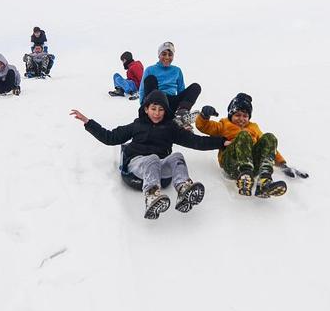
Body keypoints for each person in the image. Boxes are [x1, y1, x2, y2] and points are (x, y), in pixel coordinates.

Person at [70, 90, 230, 219]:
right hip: (137, 166)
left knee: (177, 157)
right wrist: (88, 123)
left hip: (160, 170)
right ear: (146, 109)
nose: (157, 113)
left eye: (161, 110)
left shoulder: (170, 128)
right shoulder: (137, 125)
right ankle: (152, 195)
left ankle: (183, 188)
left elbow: (195, 141)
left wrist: (221, 142)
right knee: (153, 158)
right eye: (153, 108)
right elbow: (110, 137)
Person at [195, 93, 288, 198]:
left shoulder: (254, 127)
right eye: (237, 115)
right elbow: (204, 127)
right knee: (243, 135)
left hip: (253, 166)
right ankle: (244, 175)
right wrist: (204, 116)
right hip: (232, 163)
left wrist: (282, 163)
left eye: (245, 116)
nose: (241, 118)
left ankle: (264, 181)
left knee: (269, 137)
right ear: (231, 115)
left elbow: (268, 147)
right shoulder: (223, 125)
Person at [137, 42, 202, 128]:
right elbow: (142, 89)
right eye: (164, 54)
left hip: (170, 102)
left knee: (195, 87)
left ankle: (181, 115)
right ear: (159, 55)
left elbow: (181, 90)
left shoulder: (177, 70)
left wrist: (182, 103)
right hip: (156, 99)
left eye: (170, 55)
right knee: (150, 79)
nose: (167, 57)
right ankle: (149, 115)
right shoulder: (150, 69)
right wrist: (143, 105)